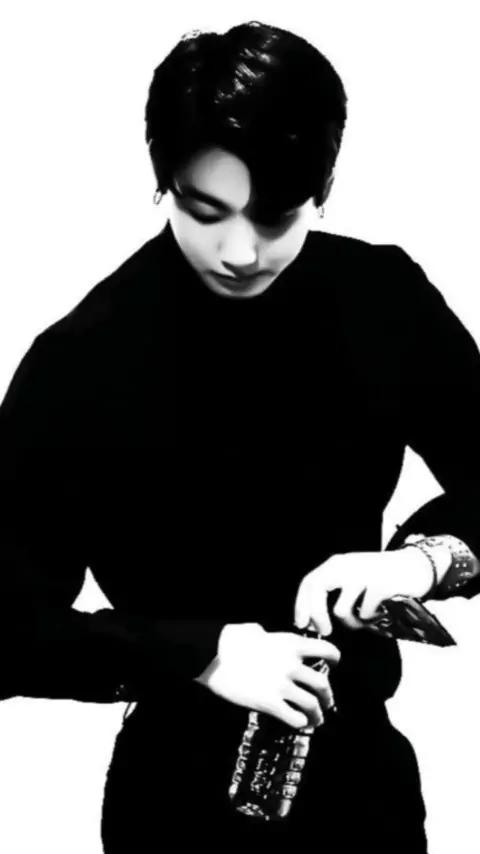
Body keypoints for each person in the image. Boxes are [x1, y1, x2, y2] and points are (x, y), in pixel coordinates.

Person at [1, 19, 479, 854]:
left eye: (276, 214)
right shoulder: (81, 360)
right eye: (205, 210)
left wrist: (420, 562)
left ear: (323, 187)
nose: (240, 251)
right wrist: (202, 654)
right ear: (164, 182)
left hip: (367, 794)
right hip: (175, 808)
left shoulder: (382, 301)